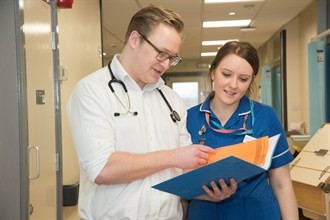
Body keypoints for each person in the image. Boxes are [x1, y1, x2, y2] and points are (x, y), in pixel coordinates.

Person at [66, 5, 236, 220]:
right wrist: (173, 157)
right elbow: (102, 169)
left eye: (172, 58)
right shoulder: (92, 91)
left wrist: (208, 191)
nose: (165, 64)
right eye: (162, 54)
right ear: (135, 40)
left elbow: (182, 170)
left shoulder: (171, 100)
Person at [186, 41, 298, 220]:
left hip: (258, 213)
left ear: (251, 80)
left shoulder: (265, 116)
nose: (233, 85)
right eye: (226, 74)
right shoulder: (189, 119)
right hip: (205, 214)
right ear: (213, 72)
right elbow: (181, 183)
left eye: (243, 79)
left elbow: (282, 184)